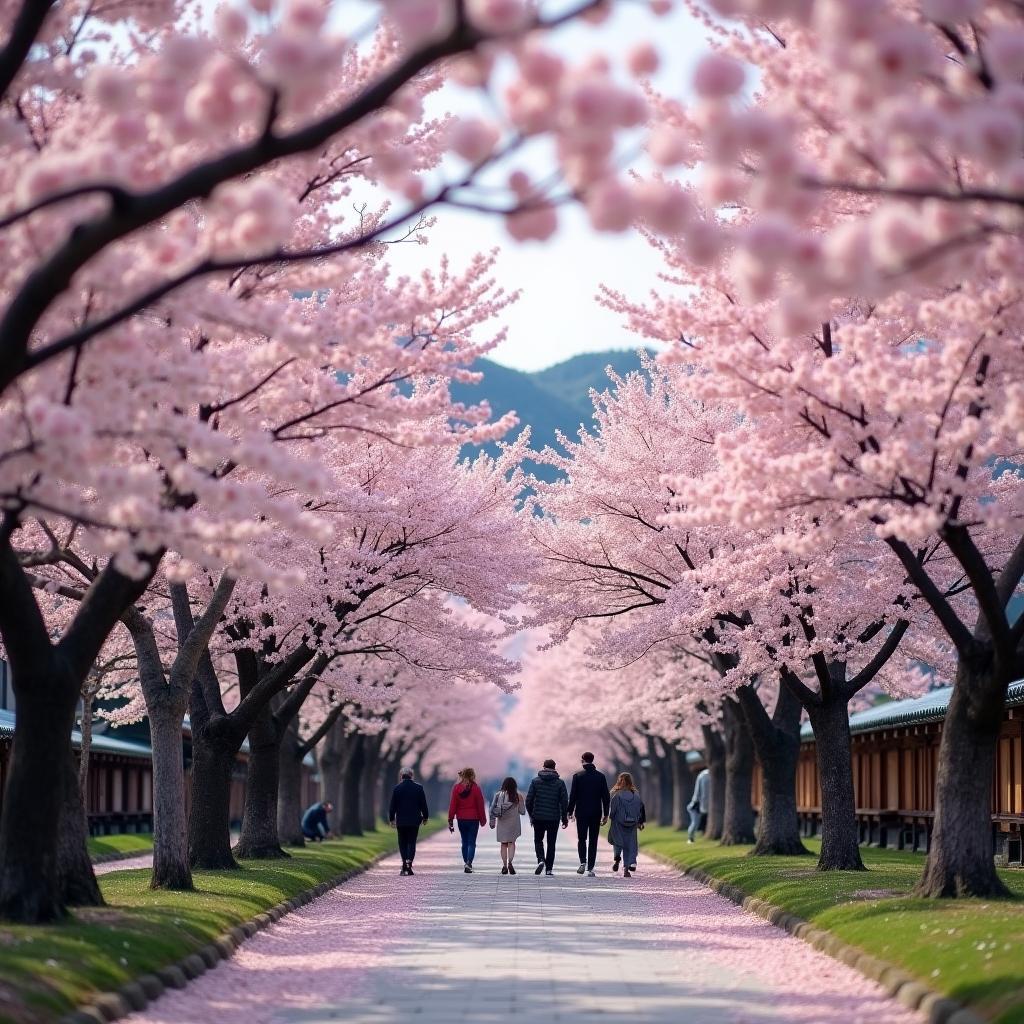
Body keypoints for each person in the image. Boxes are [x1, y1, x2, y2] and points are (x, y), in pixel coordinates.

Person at [567, 751, 610, 877]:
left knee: (582, 838)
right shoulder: (600, 777)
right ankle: (590, 867)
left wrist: (570, 811)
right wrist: (606, 813)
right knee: (593, 839)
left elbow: (573, 796)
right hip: (596, 812)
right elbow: (605, 797)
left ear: (582, 760)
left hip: (581, 812)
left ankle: (582, 862)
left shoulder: (577, 776)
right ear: (593, 760)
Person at [525, 758, 568, 876]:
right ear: (555, 768)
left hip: (538, 817)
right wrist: (564, 818)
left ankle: (540, 860)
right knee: (551, 843)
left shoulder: (535, 781)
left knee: (538, 840)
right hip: (553, 817)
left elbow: (528, 800)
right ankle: (549, 869)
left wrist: (531, 814)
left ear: (543, 767)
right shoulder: (560, 783)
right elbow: (564, 802)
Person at [388, 766, 429, 876]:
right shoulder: (418, 788)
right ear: (412, 775)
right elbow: (423, 805)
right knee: (411, 842)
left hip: (401, 820)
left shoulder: (397, 788)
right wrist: (425, 817)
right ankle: (409, 864)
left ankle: (404, 864)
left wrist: (392, 819)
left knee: (402, 842)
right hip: (414, 820)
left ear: (401, 776)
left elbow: (393, 806)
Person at [448, 767, 487, 873]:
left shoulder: (456, 788)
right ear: (472, 776)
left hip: (461, 819)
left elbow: (453, 805)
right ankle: (469, 863)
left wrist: (450, 820)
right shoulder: (476, 788)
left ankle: (466, 862)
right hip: (473, 819)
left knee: (464, 842)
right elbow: (480, 805)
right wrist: (483, 819)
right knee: (471, 842)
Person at [607, 772, 646, 877]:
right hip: (632, 823)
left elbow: (612, 812)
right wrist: (640, 822)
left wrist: (609, 817)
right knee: (630, 845)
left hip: (618, 824)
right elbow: (640, 809)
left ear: (619, 781)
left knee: (618, 841)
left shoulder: (616, 795)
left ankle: (617, 857)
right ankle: (627, 868)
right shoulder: (636, 795)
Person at [489, 776, 526, 874]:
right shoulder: (518, 796)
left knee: (503, 844)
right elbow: (522, 811)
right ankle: (510, 862)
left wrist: (492, 821)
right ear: (515, 786)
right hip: (513, 823)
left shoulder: (498, 795)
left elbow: (492, 809)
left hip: (502, 823)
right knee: (511, 843)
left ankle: (504, 865)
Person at [688, 767, 710, 843]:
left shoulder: (703, 775)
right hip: (696, 806)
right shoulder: (704, 775)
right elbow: (700, 794)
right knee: (695, 823)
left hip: (704, 805)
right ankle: (690, 838)